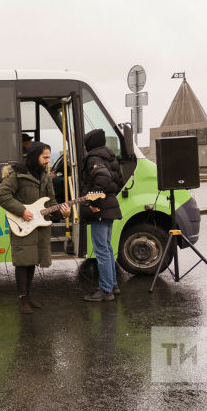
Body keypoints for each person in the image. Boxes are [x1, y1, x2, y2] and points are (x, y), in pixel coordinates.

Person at [0, 142, 70, 314]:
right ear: (34, 156)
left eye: (48, 157)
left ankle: (28, 296)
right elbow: (2, 195)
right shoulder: (18, 174)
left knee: (31, 262)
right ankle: (23, 299)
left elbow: (51, 202)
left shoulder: (45, 176)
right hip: (23, 224)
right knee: (23, 263)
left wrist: (62, 213)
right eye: (45, 157)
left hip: (38, 225)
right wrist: (22, 211)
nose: (47, 161)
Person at [81, 129, 123, 302]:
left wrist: (93, 201)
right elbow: (118, 181)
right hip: (110, 206)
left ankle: (106, 290)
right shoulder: (110, 157)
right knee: (107, 247)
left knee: (101, 250)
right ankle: (113, 285)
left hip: (100, 209)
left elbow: (102, 177)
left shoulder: (94, 158)